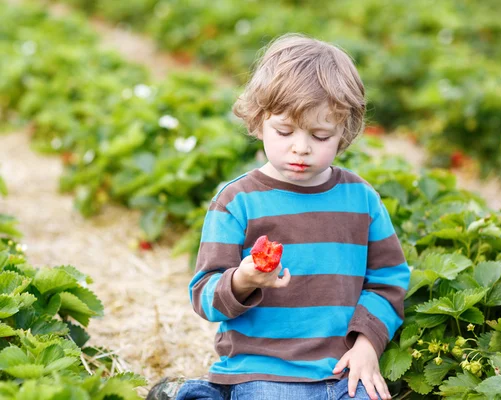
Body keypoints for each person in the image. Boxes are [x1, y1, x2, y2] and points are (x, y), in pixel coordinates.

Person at [147, 33, 410, 400]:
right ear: (258, 122)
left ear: (343, 133)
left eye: (320, 136)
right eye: (284, 131)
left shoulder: (360, 200)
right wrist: (242, 278)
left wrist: (367, 343)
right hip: (263, 369)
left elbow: (389, 279)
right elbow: (204, 294)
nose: (300, 148)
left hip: (342, 368)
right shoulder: (238, 202)